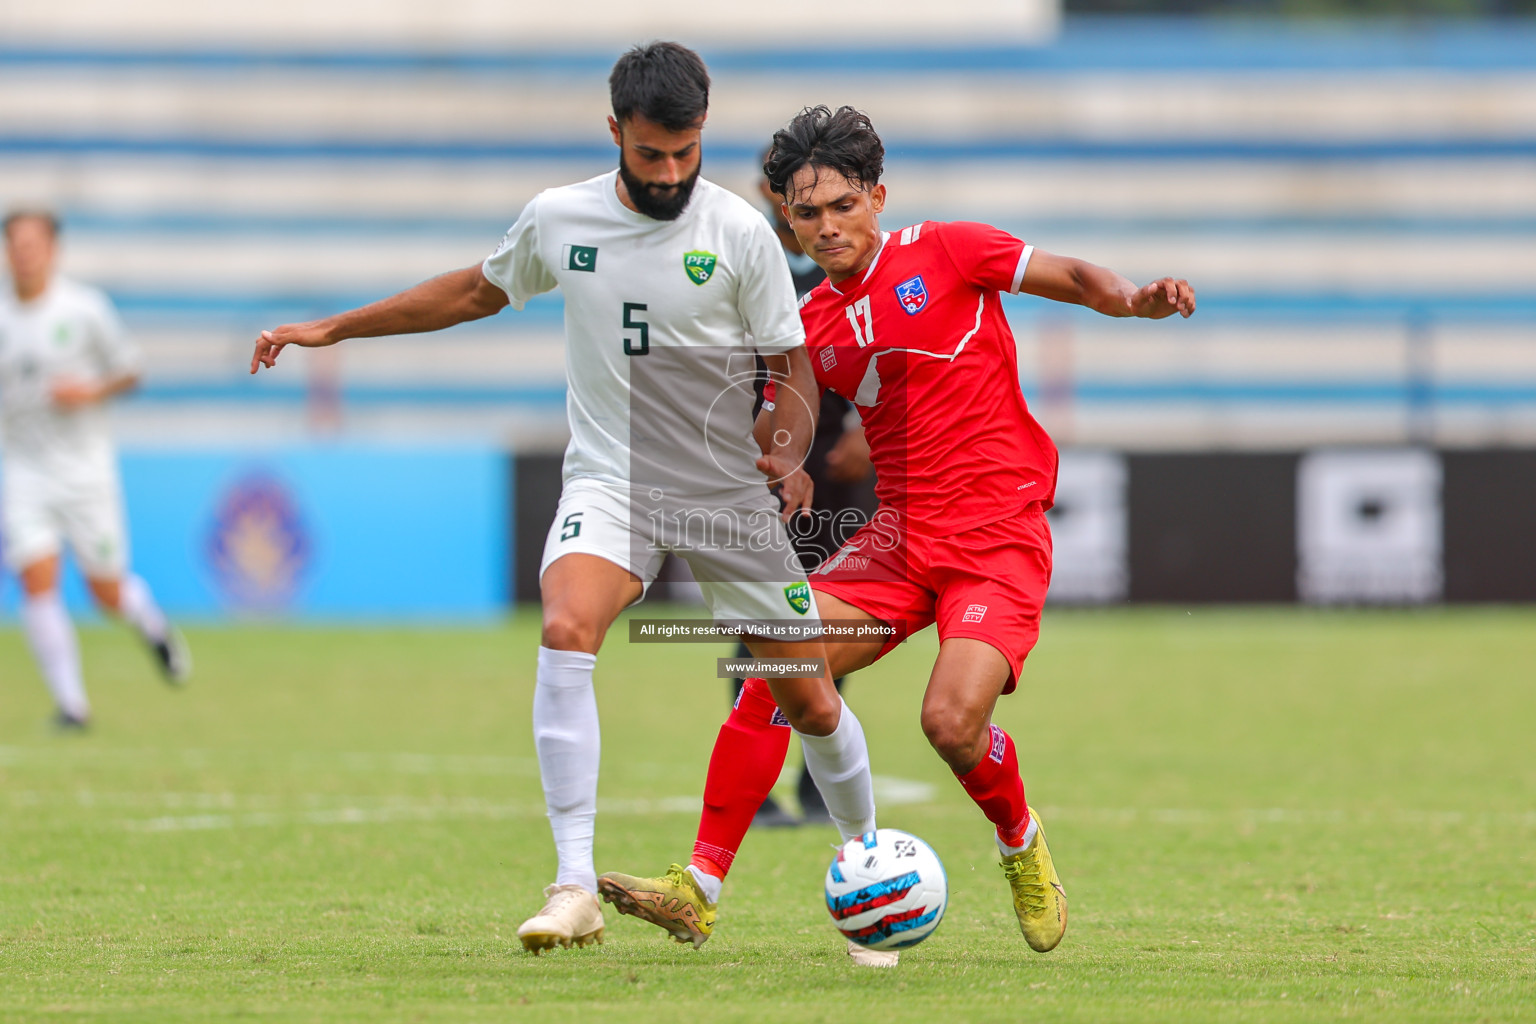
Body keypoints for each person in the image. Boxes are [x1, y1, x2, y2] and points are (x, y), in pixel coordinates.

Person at [248, 48, 878, 956]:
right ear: (616, 130)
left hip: (725, 494)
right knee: (566, 628)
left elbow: (790, 366)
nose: (670, 174)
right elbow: (471, 291)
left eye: (686, 153)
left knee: (811, 702)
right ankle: (573, 884)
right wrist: (335, 328)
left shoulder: (739, 231)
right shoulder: (560, 219)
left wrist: (783, 450)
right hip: (611, 480)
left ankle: (869, 879)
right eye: (653, 153)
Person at [603, 105, 1195, 962]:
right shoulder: (807, 319)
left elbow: (1066, 274)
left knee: (951, 724)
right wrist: (785, 461)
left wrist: (1132, 301)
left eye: (843, 205)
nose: (827, 226)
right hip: (898, 537)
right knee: (774, 660)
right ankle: (697, 887)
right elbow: (786, 415)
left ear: (878, 195)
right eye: (807, 214)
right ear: (787, 219)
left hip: (996, 537)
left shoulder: (948, 251)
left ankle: (1021, 845)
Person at [728, 153, 877, 830]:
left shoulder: (844, 262)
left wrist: (867, 437)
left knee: (831, 619)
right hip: (755, 471)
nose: (816, 216)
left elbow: (880, 356)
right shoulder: (740, 261)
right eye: (796, 197)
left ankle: (819, 783)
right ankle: (754, 790)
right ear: (769, 194)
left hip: (836, 471)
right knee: (758, 627)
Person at [0, 209, 191, 728]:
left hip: (85, 473)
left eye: (33, 243)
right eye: (15, 243)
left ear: (53, 250)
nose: (24, 253)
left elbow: (131, 370)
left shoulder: (84, 310)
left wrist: (89, 391)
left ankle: (150, 624)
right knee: (36, 580)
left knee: (105, 592)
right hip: (24, 472)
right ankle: (72, 706)